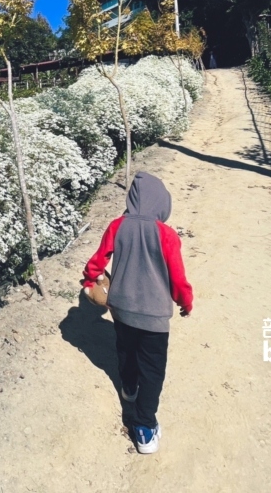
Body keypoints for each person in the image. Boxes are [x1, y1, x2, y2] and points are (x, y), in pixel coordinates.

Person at [81, 171, 193, 454]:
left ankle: (128, 388)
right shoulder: (166, 234)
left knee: (126, 348)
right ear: (161, 203)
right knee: (153, 369)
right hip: (154, 316)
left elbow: (98, 260)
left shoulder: (118, 226)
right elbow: (177, 278)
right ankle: (144, 427)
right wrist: (185, 302)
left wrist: (89, 279)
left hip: (121, 308)